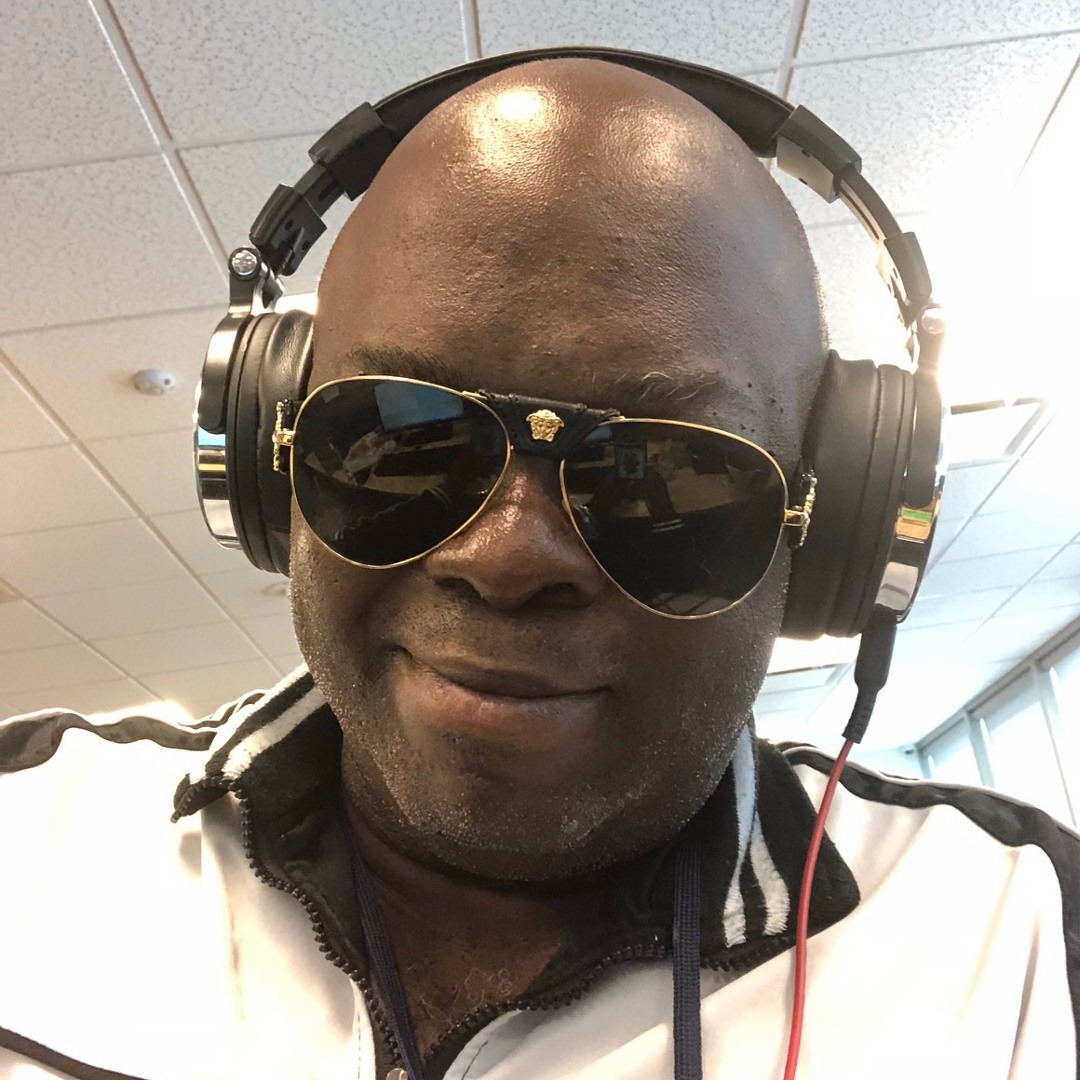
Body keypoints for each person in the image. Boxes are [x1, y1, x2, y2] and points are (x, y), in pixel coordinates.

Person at [1, 56, 1077, 1080]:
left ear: (832, 523)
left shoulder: (1021, 934)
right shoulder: (28, 824)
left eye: (667, 474)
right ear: (269, 455)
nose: (507, 556)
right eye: (403, 437)